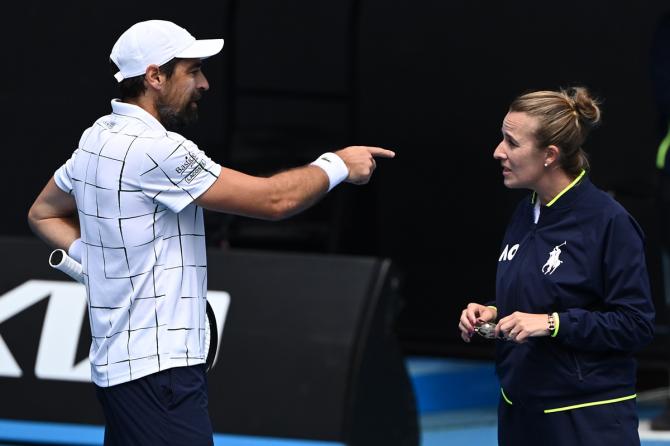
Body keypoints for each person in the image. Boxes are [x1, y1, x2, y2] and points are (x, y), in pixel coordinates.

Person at [26, 19, 394, 446]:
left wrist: (100, 262)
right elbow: (274, 201)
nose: (204, 83)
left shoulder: (96, 139)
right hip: (160, 376)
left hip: (120, 372)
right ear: (154, 76)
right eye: (193, 70)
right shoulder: (158, 149)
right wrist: (338, 165)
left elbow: (42, 214)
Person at [458, 87, 655, 445]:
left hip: (586, 416)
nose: (498, 151)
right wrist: (493, 313)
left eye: (511, 142)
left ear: (549, 155)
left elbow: (636, 324)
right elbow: (545, 295)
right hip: (520, 409)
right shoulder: (525, 211)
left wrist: (552, 324)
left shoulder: (608, 222)